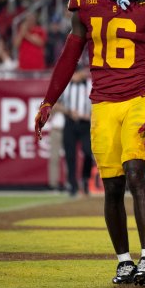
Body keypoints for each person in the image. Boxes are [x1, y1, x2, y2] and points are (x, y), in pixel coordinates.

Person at [34, 0, 145, 286]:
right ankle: (124, 261)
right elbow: (69, 56)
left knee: (135, 173)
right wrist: (50, 99)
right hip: (103, 104)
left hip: (138, 99)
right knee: (112, 186)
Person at [58, 67, 93, 197]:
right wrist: (68, 112)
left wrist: (88, 116)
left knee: (88, 153)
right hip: (70, 123)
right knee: (70, 155)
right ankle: (72, 185)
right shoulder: (66, 85)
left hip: (86, 124)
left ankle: (85, 179)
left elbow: (98, 105)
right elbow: (55, 104)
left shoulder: (90, 85)